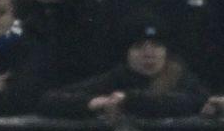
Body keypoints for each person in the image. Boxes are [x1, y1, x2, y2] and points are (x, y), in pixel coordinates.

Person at [38, 17, 208, 120]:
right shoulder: (116, 78)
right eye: (139, 47)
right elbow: (50, 100)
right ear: (126, 54)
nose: (149, 54)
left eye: (156, 46)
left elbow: (194, 101)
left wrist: (128, 100)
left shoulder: (180, 77)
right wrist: (91, 103)